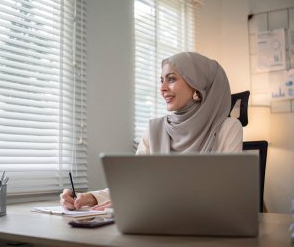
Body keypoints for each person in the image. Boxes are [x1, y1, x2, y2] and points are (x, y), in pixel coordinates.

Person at [60, 52, 243, 211]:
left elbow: (227, 196)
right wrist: (88, 198)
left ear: (197, 85)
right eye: (161, 80)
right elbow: (134, 185)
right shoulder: (154, 129)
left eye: (171, 79)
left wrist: (143, 203)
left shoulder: (228, 128)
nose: (162, 89)